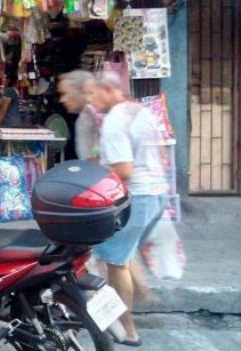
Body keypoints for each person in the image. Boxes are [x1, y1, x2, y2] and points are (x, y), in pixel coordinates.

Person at [89, 73, 168, 347]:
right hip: (156, 194)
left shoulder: (114, 121)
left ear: (108, 89)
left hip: (136, 197)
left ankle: (127, 329)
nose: (92, 102)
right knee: (121, 254)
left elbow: (124, 170)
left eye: (94, 94)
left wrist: (93, 176)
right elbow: (162, 154)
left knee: (114, 262)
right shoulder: (141, 111)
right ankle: (134, 297)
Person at [57, 70, 99, 160]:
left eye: (65, 94)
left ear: (82, 91)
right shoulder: (84, 118)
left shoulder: (98, 117)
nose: (62, 100)